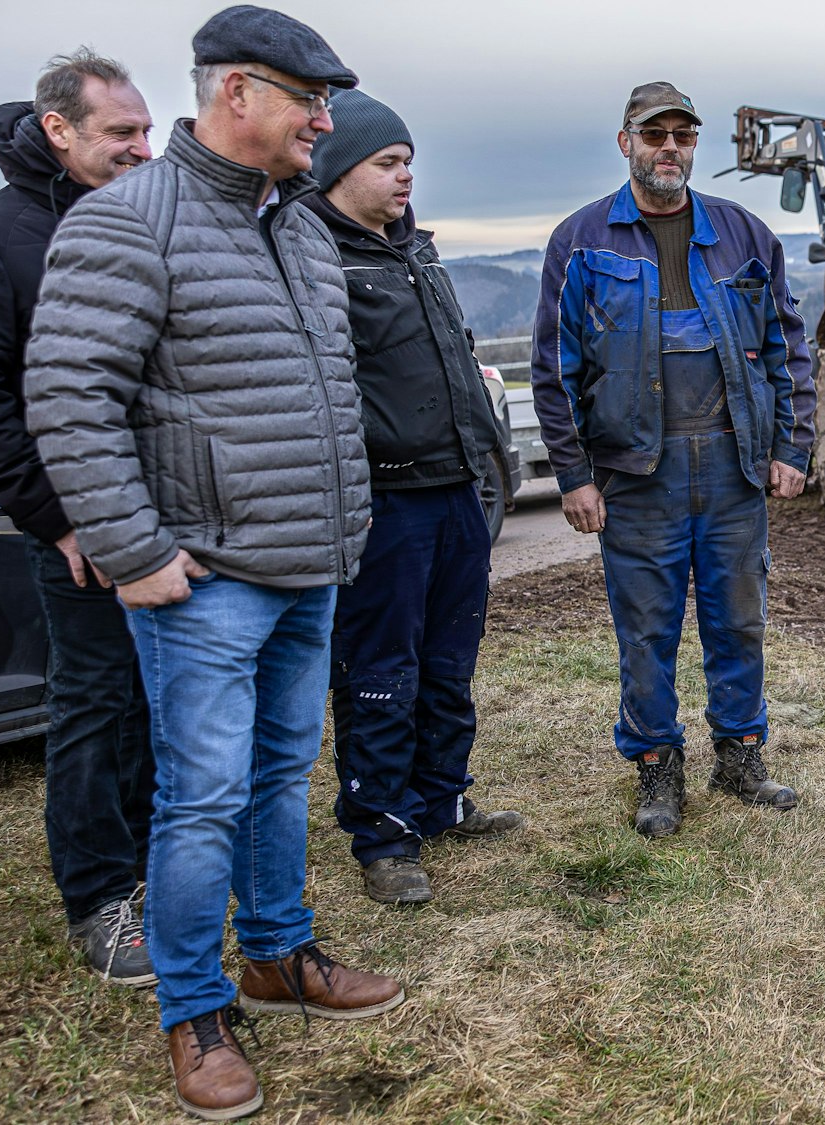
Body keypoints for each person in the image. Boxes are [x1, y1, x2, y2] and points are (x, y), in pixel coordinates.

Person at [25, 7, 403, 1119]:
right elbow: (67, 394)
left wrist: (344, 534)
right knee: (200, 802)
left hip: (305, 564)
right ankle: (192, 1008)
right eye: (309, 100)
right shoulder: (128, 219)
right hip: (204, 580)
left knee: (282, 776)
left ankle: (278, 957)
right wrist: (134, 550)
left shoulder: (293, 224)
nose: (324, 122)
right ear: (237, 91)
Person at [531, 80, 816, 839]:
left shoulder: (745, 234)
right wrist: (575, 475)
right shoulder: (582, 241)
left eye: (683, 136)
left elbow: (788, 347)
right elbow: (554, 370)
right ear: (625, 142)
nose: (669, 148)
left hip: (731, 468)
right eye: (653, 134)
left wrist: (793, 444)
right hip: (636, 473)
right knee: (647, 627)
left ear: (695, 146)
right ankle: (657, 764)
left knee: (740, 618)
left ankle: (741, 753)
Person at [0, 49, 157, 986]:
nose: (142, 148)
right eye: (122, 133)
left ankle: (163, 869)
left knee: (165, 704)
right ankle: (101, 898)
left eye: (148, 130)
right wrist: (64, 521)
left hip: (174, 518)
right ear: (58, 129)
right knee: (95, 703)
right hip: (79, 526)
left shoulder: (144, 220)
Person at [302, 88, 524, 906]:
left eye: (408, 165)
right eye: (388, 164)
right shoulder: (317, 259)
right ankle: (383, 832)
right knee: (378, 670)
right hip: (383, 505)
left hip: (455, 491)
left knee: (448, 659)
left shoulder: (415, 252)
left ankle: (441, 800)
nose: (405, 180)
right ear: (336, 167)